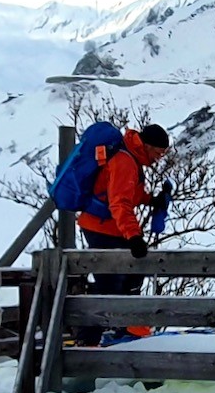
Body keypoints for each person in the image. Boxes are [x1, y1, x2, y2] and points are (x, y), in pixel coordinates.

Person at [73, 123, 172, 346]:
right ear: (146, 146)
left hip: (106, 226)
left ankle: (125, 329)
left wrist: (151, 200)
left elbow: (127, 194)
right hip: (103, 227)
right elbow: (120, 204)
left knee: (130, 277)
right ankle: (88, 342)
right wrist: (134, 237)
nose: (159, 158)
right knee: (110, 286)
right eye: (158, 152)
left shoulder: (130, 158)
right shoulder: (125, 161)